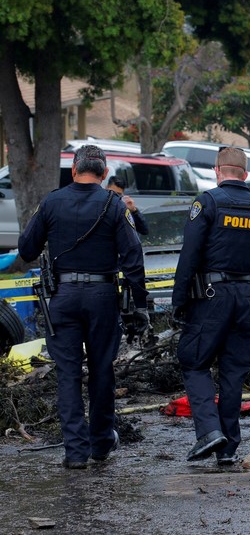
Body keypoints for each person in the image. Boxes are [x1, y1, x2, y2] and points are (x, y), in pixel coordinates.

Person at [18, 145, 149, 469]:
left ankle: (75, 453)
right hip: (103, 297)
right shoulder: (115, 205)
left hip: (62, 298)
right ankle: (101, 442)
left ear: (74, 170)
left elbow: (26, 247)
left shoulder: (51, 201)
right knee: (102, 371)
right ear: (104, 174)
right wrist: (140, 305)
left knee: (68, 374)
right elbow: (134, 258)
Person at [172, 146, 250, 465]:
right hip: (246, 298)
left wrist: (178, 303)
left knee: (193, 361)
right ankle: (228, 449)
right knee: (233, 372)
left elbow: (188, 257)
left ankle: (208, 431)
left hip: (210, 298)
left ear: (218, 171)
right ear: (245, 174)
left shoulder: (207, 202)